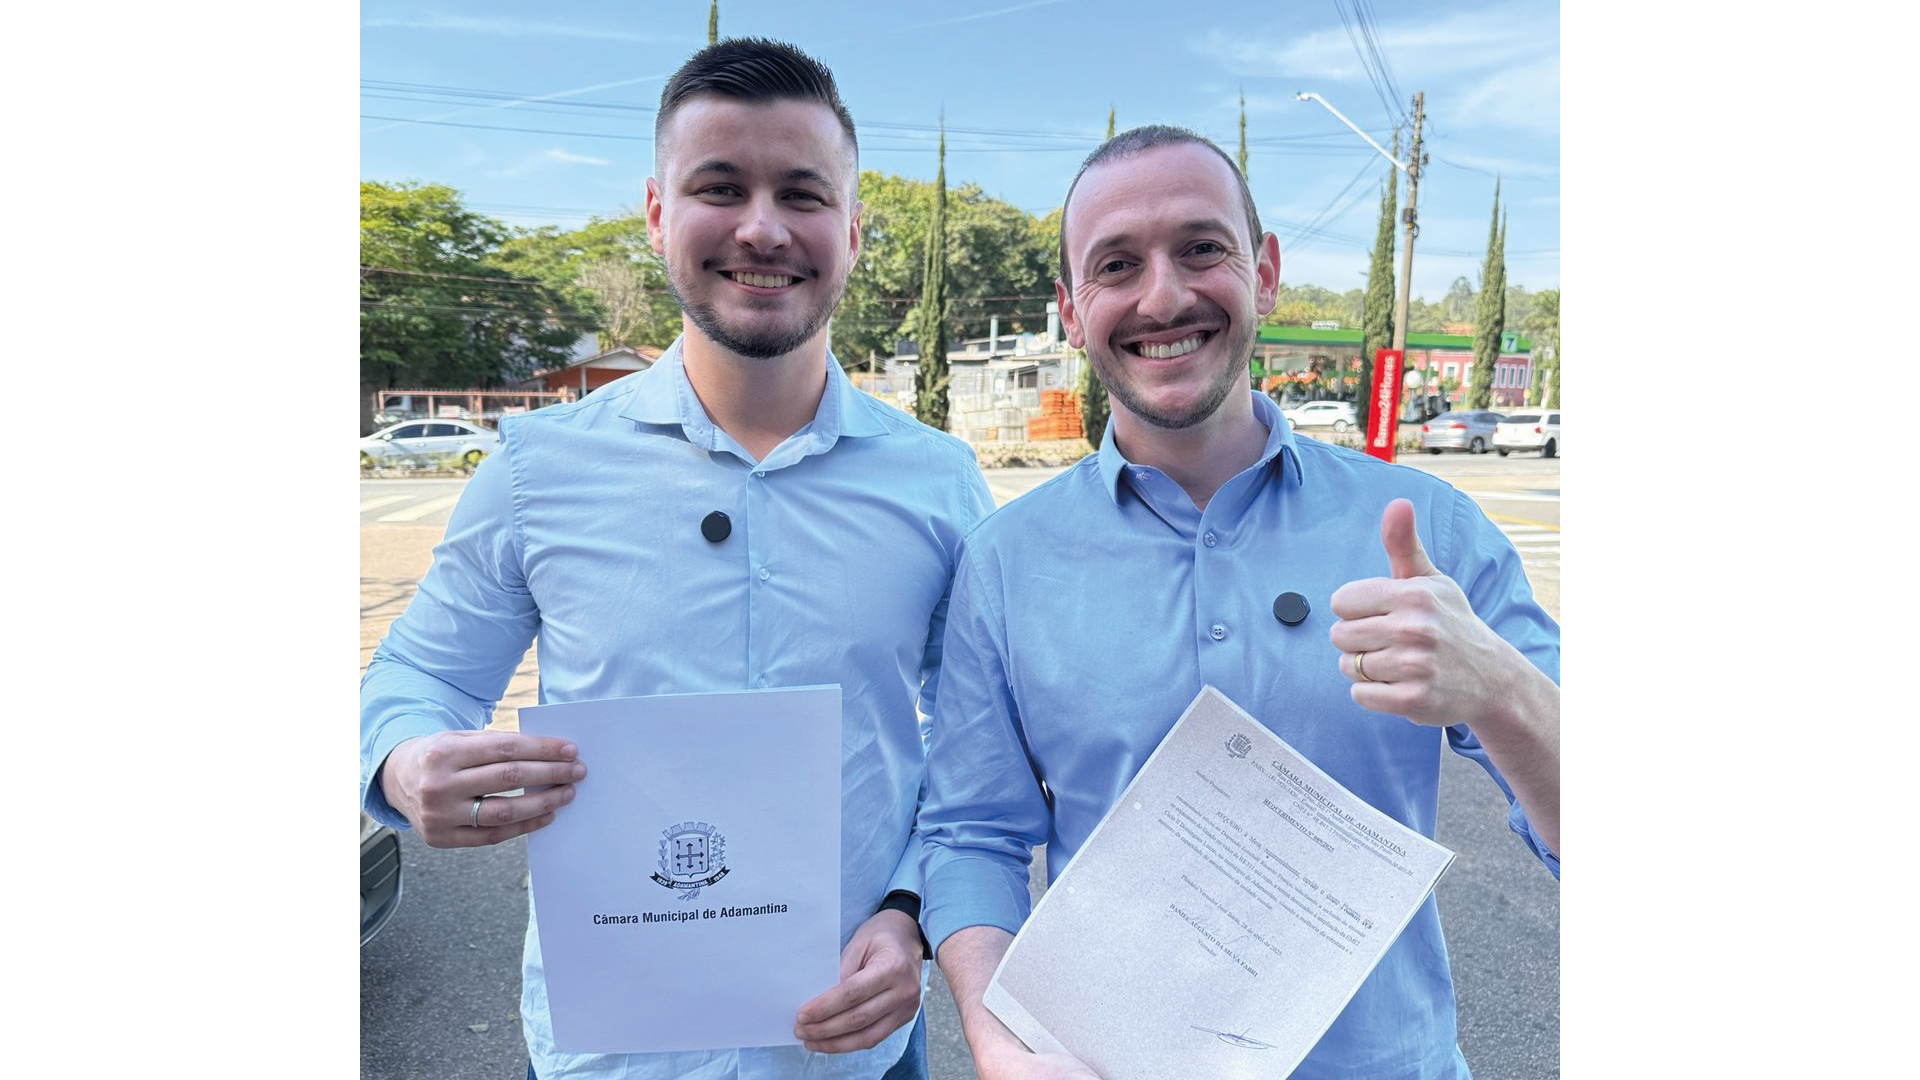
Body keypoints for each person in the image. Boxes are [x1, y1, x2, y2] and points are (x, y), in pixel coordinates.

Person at [359, 38, 993, 1080]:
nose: (762, 227)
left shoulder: (938, 483)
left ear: (852, 231)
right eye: (719, 187)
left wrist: (913, 908)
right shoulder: (536, 469)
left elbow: (979, 746)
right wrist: (403, 759)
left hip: (846, 1055)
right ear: (657, 215)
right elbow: (416, 672)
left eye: (802, 193)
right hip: (604, 1054)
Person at [917, 126, 1560, 1080]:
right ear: (1070, 310)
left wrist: (1503, 691)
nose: (1163, 296)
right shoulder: (1006, 563)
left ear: (1263, 274)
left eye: (1201, 248)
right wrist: (993, 1035)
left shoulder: (1430, 530)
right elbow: (973, 834)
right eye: (1116, 265)